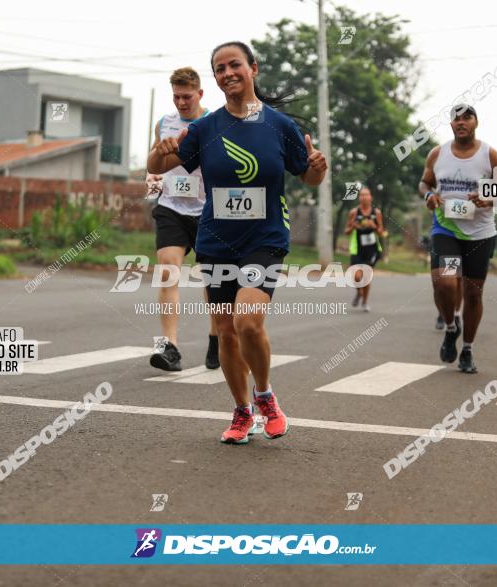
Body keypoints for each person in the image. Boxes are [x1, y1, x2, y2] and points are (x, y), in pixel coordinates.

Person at [148, 41, 327, 444]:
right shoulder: (205, 129)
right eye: (219, 68)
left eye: (234, 65)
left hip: (264, 238)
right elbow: (156, 167)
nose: (227, 73)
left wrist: (318, 168)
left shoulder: (279, 126)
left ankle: (265, 396)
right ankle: (241, 412)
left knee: (248, 320)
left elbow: (309, 176)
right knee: (226, 330)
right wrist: (159, 154)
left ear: (253, 69)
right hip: (215, 240)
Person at [419, 105, 497, 373]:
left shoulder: (490, 155)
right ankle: (450, 327)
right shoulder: (438, 153)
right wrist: (428, 196)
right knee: (445, 283)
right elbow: (424, 183)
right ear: (451, 125)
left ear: (476, 123)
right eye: (456, 118)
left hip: (479, 234)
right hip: (446, 230)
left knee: (472, 293)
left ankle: (467, 348)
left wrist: (488, 199)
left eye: (466, 117)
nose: (461, 122)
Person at [147, 67, 220, 372]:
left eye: (187, 96)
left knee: (213, 280)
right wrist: (153, 179)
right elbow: (153, 163)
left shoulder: (215, 123)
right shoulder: (164, 123)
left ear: (200, 94)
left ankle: (217, 340)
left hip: (207, 210)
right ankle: (170, 348)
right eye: (176, 96)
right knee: (167, 271)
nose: (181, 102)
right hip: (171, 208)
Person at [345, 186, 386, 312]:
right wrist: (353, 226)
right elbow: (346, 231)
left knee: (366, 276)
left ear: (371, 197)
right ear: (359, 198)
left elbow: (381, 232)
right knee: (356, 277)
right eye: (362, 195)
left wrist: (374, 226)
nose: (364, 197)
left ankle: (365, 301)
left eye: (367, 195)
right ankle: (359, 293)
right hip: (357, 248)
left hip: (372, 249)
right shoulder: (353, 212)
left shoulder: (376, 213)